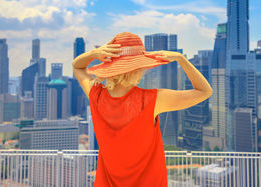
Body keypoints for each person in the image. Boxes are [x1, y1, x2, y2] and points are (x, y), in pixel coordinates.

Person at [72, 32, 213, 186]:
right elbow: (204, 91)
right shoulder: (152, 100)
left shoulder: (96, 95)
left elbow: (77, 66)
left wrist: (94, 53)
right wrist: (181, 59)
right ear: (137, 68)